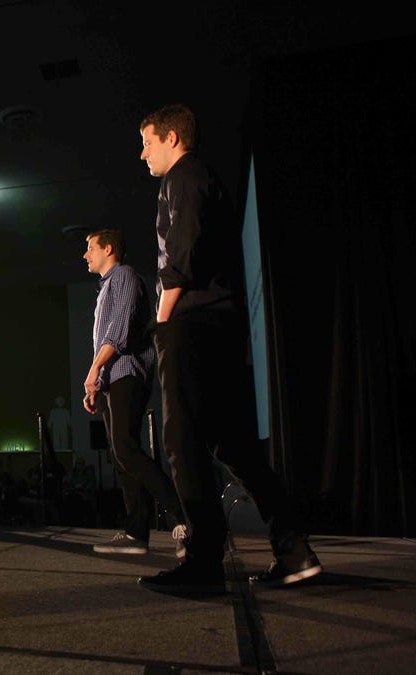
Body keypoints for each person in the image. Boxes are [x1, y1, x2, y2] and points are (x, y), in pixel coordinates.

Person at [136, 104, 321, 593]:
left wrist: (160, 321)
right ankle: (293, 549)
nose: (142, 154)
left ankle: (203, 564)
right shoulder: (201, 177)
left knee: (180, 441)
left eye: (148, 142)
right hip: (220, 325)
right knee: (232, 443)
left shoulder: (184, 176)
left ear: (172, 138)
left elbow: (183, 253)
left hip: (192, 324)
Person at [81, 229, 188, 557]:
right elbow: (107, 337)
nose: (85, 256)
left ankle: (185, 519)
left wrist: (93, 369)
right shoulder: (105, 288)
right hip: (113, 377)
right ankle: (135, 533)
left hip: (128, 372)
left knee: (126, 449)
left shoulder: (124, 276)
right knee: (120, 454)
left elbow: (120, 329)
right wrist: (98, 382)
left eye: (89, 249)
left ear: (108, 248)